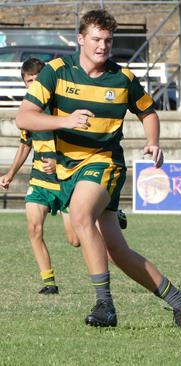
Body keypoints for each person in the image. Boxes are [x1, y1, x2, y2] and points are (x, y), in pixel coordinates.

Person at [16, 9, 181, 327]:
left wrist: (153, 141)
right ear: (80, 39)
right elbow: (24, 116)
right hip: (67, 168)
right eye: (96, 39)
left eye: (108, 40)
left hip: (104, 161)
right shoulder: (57, 71)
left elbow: (148, 112)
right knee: (116, 251)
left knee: (81, 216)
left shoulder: (122, 78)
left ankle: (105, 306)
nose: (103, 46)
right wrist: (64, 120)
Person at [0, 58, 79, 295]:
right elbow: (26, 144)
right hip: (39, 180)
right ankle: (49, 282)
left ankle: (110, 214)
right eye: (29, 81)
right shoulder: (28, 111)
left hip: (66, 178)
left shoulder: (61, 107)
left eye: (37, 79)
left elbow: (78, 143)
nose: (33, 85)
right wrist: (10, 173)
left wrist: (59, 161)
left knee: (75, 240)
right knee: (34, 229)